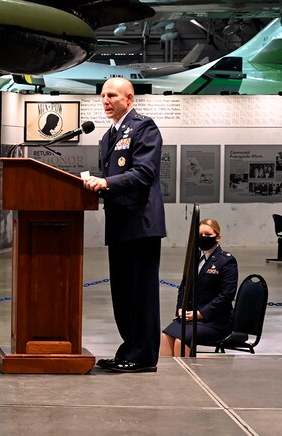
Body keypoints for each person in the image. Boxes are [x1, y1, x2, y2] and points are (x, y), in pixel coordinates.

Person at [83, 77, 166, 373]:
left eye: (112, 96)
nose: (105, 101)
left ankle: (143, 355)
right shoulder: (108, 137)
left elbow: (144, 173)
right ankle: (128, 349)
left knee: (140, 293)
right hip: (119, 224)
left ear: (129, 99)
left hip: (140, 224)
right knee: (123, 294)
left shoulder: (144, 128)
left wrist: (106, 182)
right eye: (103, 96)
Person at [160, 219, 238, 357]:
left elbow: (226, 296)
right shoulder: (194, 257)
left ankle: (184, 378)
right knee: (165, 336)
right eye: (200, 234)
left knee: (181, 340)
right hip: (191, 316)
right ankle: (170, 377)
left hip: (215, 320)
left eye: (207, 235)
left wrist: (200, 314)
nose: (203, 238)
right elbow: (184, 287)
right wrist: (180, 307)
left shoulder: (226, 261)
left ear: (218, 237)